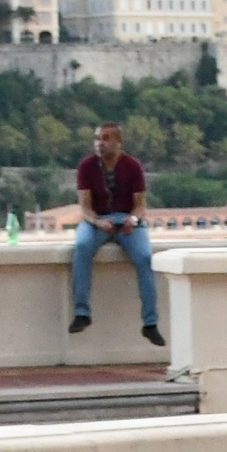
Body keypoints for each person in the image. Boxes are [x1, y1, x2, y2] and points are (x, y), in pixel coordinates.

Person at [72, 122, 164, 346]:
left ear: (118, 142)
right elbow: (84, 207)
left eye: (105, 138)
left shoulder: (132, 166)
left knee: (144, 257)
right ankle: (82, 312)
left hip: (126, 218)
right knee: (82, 247)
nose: (100, 143)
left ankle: (150, 323)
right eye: (97, 139)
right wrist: (97, 222)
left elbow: (140, 205)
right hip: (98, 219)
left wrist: (132, 220)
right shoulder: (87, 166)